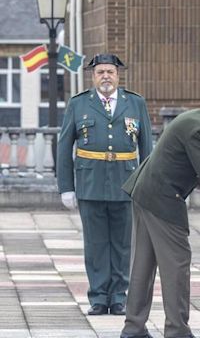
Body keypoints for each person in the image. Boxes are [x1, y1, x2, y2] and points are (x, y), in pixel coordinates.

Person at [120, 90, 200, 338]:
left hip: (146, 192)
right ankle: (177, 331)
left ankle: (133, 329)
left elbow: (184, 161)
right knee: (177, 266)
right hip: (162, 200)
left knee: (143, 266)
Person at [57, 53, 153, 316]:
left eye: (110, 72)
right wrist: (66, 186)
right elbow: (64, 146)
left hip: (126, 181)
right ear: (93, 76)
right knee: (96, 244)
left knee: (123, 245)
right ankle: (99, 297)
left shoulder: (135, 103)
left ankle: (119, 297)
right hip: (90, 182)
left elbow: (147, 147)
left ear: (118, 75)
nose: (106, 77)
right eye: (101, 72)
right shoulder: (79, 104)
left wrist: (147, 184)